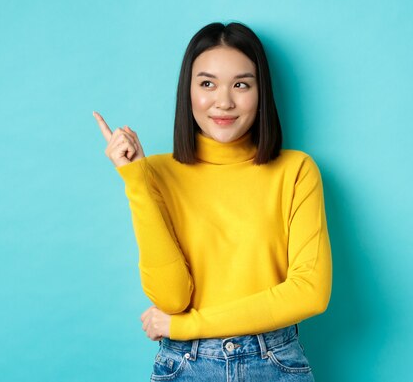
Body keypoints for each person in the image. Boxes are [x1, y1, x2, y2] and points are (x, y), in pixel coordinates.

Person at [93, 22, 332, 382]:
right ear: (187, 91)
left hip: (273, 362)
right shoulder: (154, 173)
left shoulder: (296, 171)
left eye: (241, 84)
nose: (224, 101)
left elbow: (310, 293)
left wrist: (188, 325)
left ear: (260, 91)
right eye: (207, 84)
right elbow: (173, 298)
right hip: (186, 364)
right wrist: (137, 182)